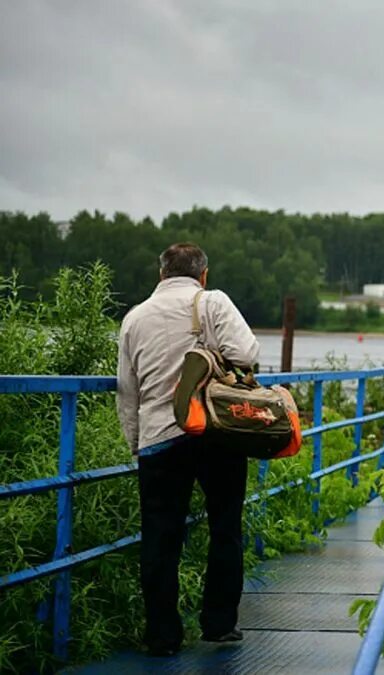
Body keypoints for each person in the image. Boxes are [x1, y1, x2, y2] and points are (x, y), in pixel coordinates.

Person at [117, 243, 260, 657]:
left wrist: (136, 443)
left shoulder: (135, 318)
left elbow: (128, 394)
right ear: (203, 274)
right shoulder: (212, 303)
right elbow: (248, 353)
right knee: (225, 529)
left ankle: (162, 636)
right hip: (217, 434)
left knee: (160, 538)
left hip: (160, 440)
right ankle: (219, 625)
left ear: (160, 274)